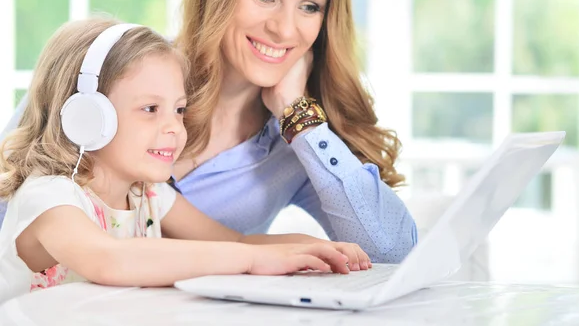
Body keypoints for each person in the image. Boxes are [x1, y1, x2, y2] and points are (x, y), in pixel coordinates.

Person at [0, 18, 371, 303]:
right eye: (150, 109)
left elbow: (237, 241)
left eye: (178, 110)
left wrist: (305, 249)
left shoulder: (148, 194)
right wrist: (253, 261)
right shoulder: (49, 197)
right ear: (86, 116)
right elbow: (110, 260)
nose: (175, 128)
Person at [170, 0, 417, 264]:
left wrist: (298, 116)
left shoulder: (296, 148)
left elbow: (393, 252)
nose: (285, 30)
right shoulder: (127, 76)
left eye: (310, 7)